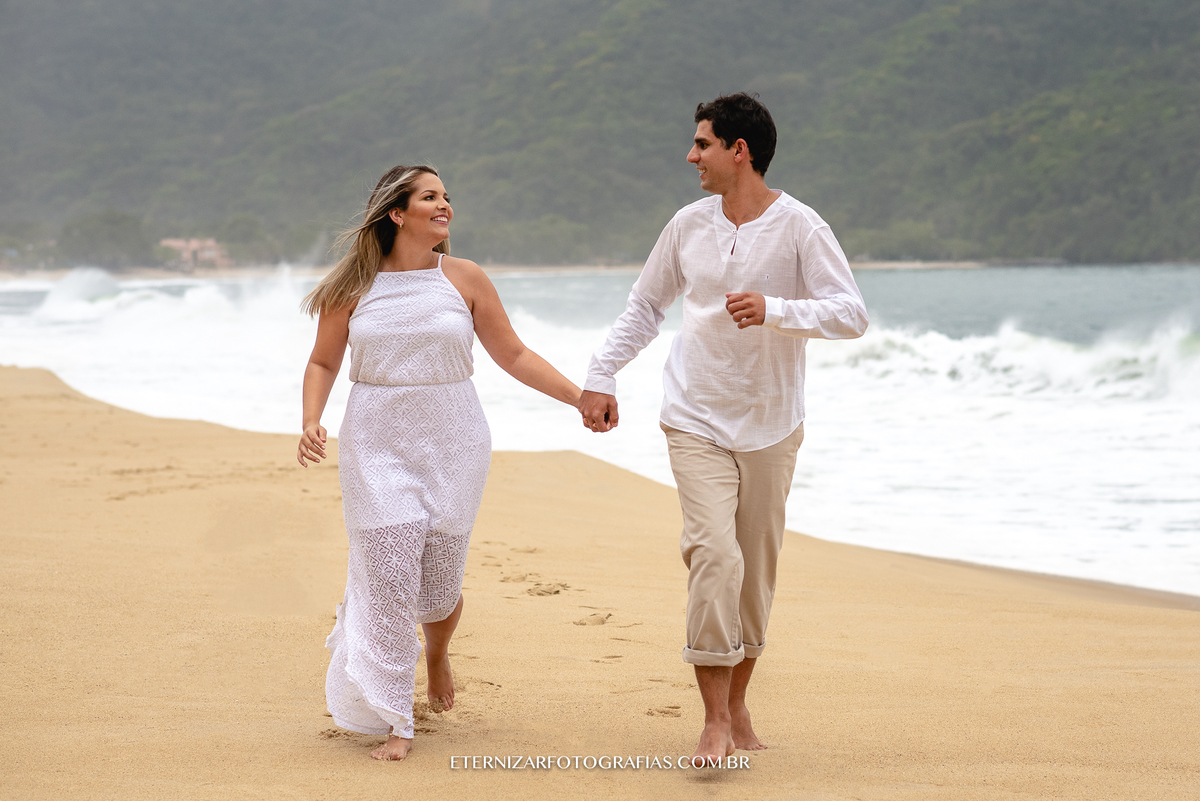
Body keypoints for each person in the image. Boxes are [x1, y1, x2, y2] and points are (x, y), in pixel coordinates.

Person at [578, 93, 869, 762]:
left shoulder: (801, 227)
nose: (691, 156)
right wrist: (602, 373)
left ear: (739, 151)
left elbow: (851, 314)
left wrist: (775, 309)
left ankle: (738, 703)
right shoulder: (687, 225)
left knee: (754, 572)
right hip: (695, 416)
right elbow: (646, 307)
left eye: (702, 144)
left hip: (772, 423)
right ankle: (713, 718)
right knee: (714, 554)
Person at [297, 164, 581, 761]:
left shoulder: (465, 278)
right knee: (390, 577)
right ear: (398, 213)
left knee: (439, 586)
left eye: (446, 196)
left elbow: (515, 354)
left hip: (454, 442)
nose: (444, 205)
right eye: (430, 197)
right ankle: (398, 718)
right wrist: (310, 419)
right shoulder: (353, 288)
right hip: (375, 443)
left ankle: (437, 653)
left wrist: (579, 398)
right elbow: (322, 363)